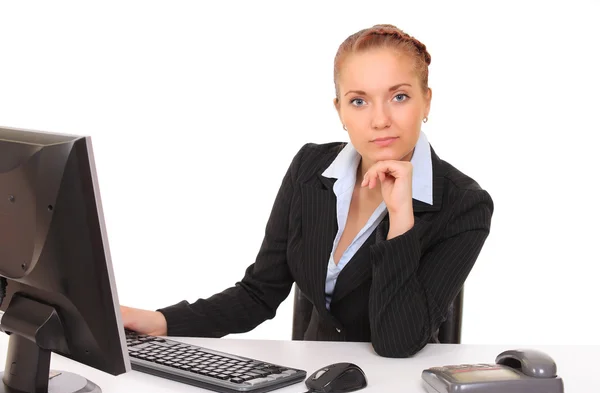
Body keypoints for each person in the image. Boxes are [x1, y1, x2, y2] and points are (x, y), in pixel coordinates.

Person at [121, 23, 494, 358]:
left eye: (399, 97)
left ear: (426, 100)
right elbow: (258, 293)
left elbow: (397, 343)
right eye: (359, 101)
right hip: (312, 381)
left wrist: (400, 220)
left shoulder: (464, 205)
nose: (380, 120)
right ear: (340, 111)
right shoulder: (310, 169)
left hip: (395, 387)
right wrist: (160, 321)